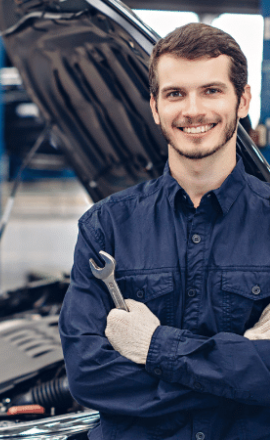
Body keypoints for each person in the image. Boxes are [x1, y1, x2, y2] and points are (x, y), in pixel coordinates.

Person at [59, 22, 270, 440]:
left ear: (243, 100)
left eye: (211, 90)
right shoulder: (106, 226)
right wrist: (242, 375)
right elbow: (88, 375)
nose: (193, 110)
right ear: (155, 107)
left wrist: (153, 346)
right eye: (176, 94)